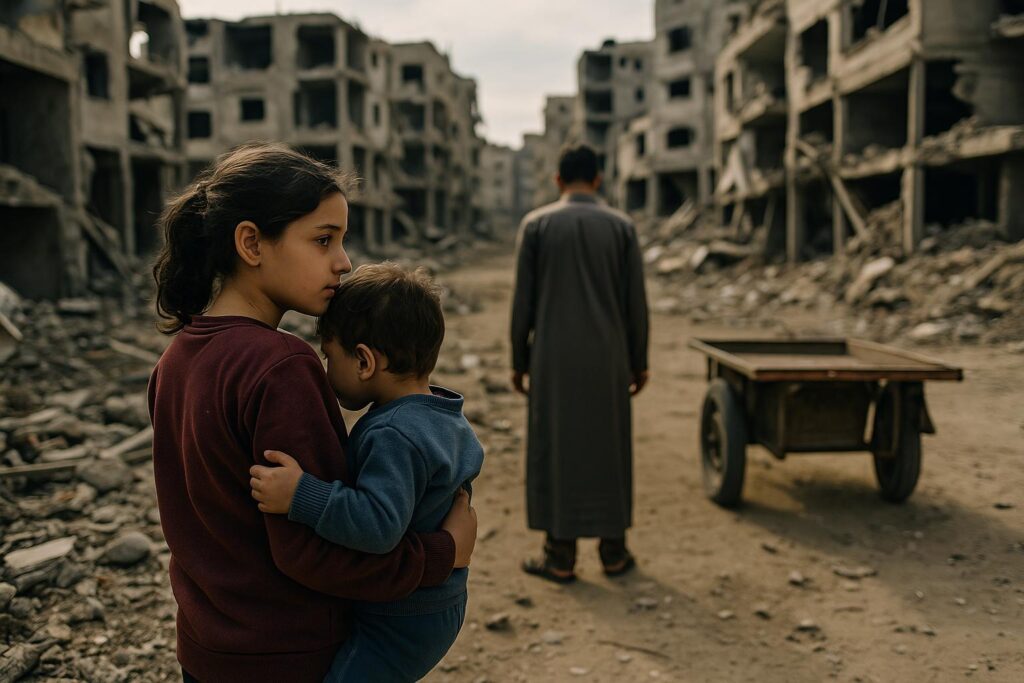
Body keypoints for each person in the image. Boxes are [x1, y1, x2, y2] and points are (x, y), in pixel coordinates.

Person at [148, 143, 477, 683]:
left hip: (207, 650)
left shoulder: (177, 357)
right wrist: (443, 554)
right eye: (323, 239)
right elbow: (314, 552)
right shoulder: (281, 366)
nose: (343, 261)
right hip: (289, 656)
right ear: (251, 243)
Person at [248, 263, 484, 682]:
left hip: (401, 617)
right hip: (436, 604)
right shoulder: (442, 415)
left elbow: (378, 527)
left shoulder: (395, 433)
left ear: (363, 360)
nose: (325, 371)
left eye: (328, 355)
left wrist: (301, 494)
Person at [510, 143, 650, 583]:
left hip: (552, 359)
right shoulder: (622, 227)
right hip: (609, 357)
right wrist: (639, 360)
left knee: (556, 448)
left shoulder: (537, 225)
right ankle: (614, 550)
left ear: (557, 180)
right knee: (608, 447)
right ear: (598, 179)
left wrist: (518, 360)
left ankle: (560, 554)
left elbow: (522, 304)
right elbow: (635, 304)